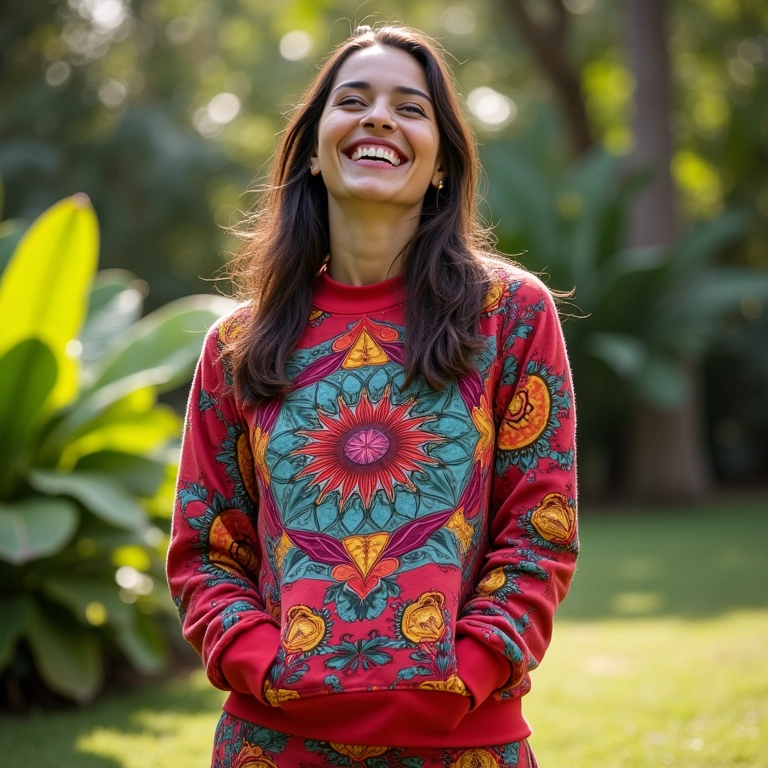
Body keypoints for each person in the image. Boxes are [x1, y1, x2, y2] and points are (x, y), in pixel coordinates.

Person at [166, 24, 578, 768]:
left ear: (444, 165)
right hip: (273, 743)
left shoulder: (511, 316)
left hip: (463, 742)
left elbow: (539, 531)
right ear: (315, 153)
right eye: (352, 101)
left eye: (409, 107)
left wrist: (464, 675)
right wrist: (271, 668)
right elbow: (206, 551)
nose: (379, 117)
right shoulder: (238, 344)